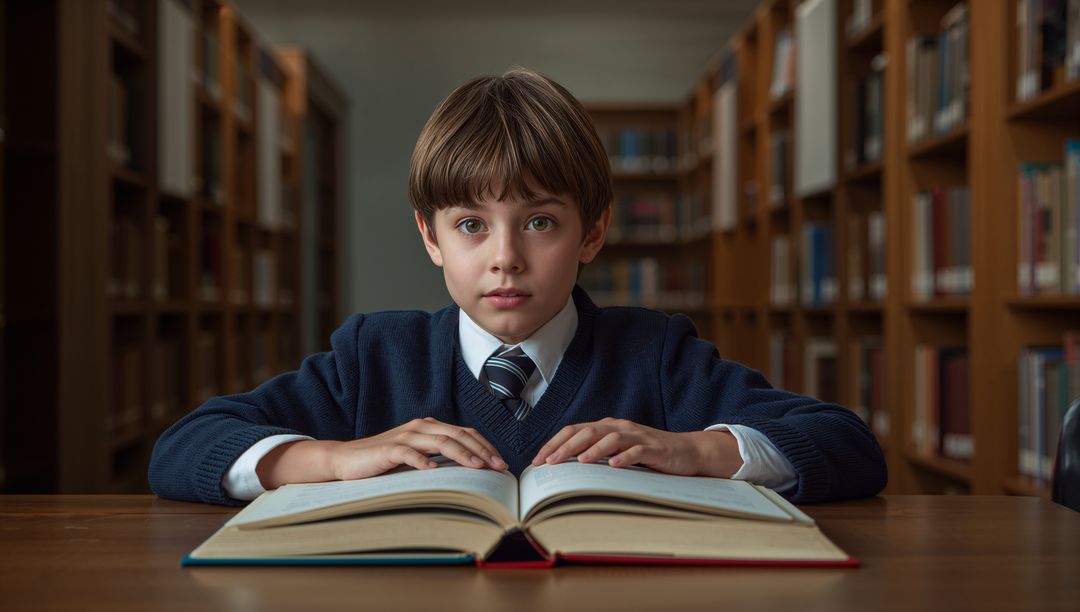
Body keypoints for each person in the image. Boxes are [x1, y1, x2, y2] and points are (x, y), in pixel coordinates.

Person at [149, 68, 887, 506]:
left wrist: (697, 451)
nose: (505, 258)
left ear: (591, 234)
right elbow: (183, 448)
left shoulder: (656, 353)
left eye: (539, 222)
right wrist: (332, 458)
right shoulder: (375, 354)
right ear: (430, 237)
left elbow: (848, 446)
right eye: (472, 225)